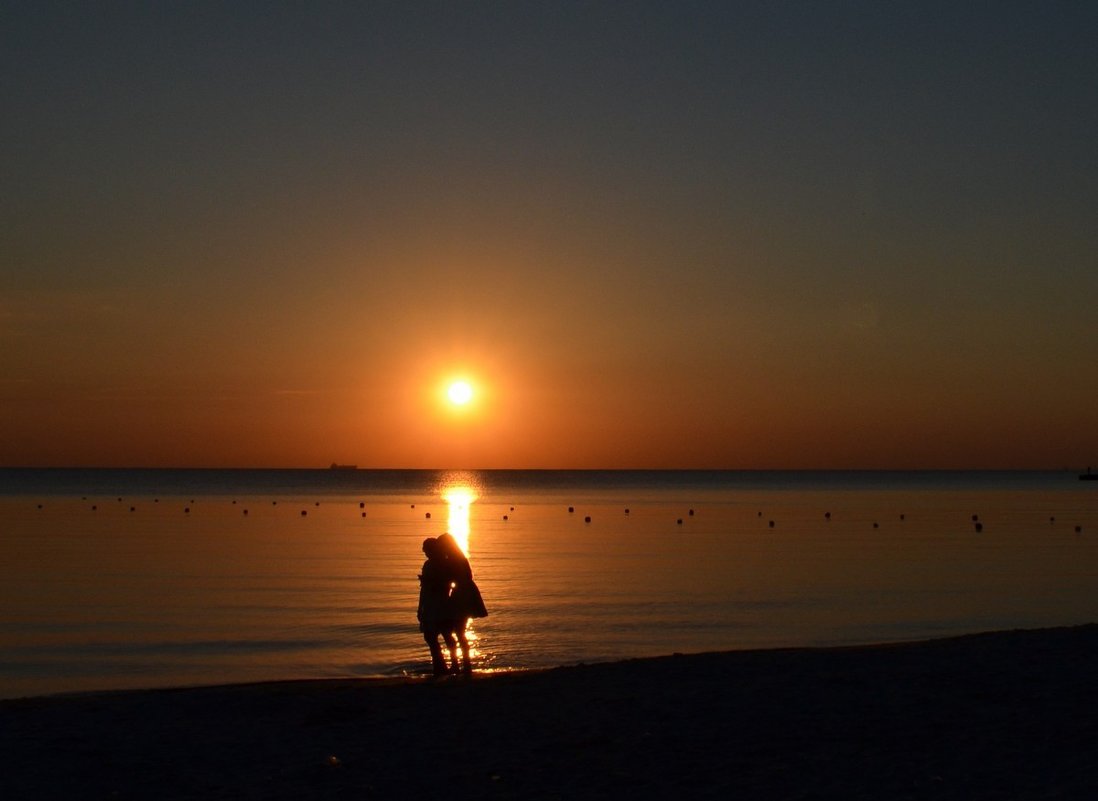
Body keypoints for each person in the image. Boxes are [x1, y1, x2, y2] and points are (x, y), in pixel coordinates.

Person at [435, 532, 488, 673]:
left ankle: (460, 664)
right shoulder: (459, 558)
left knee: (455, 631)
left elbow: (452, 578)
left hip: (462, 595)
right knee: (458, 631)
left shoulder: (453, 560)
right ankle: (464, 663)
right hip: (466, 593)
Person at [416, 537, 459, 676]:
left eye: (426, 549)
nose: (424, 551)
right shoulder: (442, 564)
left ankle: (442, 666)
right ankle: (445, 664)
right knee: (442, 636)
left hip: (436, 604)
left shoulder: (434, 565)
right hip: (439, 604)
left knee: (433, 636)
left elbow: (441, 585)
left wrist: (429, 582)